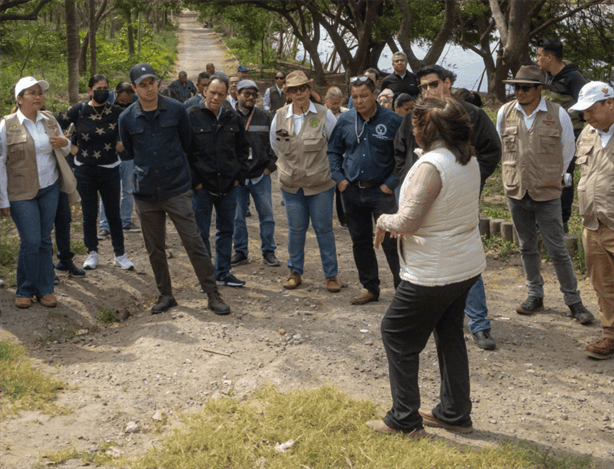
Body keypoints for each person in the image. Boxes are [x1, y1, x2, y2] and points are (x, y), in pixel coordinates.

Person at [366, 98, 485, 437]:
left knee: (396, 332)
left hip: (436, 270)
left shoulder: (432, 166)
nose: (411, 129)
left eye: (415, 124)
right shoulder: (467, 159)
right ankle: (454, 412)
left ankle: (404, 419)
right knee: (449, 333)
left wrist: (382, 220)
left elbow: (409, 221)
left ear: (427, 129)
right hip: (464, 265)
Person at [395, 64, 502, 350]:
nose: (428, 91)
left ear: (448, 83)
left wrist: (469, 179)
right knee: (422, 253)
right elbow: (401, 149)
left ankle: (479, 323)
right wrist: (407, 178)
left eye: (433, 84)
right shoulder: (416, 114)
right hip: (418, 194)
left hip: (456, 200)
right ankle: (428, 315)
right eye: (423, 86)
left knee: (461, 256)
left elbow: (491, 150)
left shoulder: (471, 114)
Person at [119, 63, 230, 315]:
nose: (149, 89)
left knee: (194, 242)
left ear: (157, 83)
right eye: (143, 85)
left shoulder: (177, 110)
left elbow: (187, 142)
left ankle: (212, 294)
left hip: (176, 188)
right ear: (134, 88)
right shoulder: (126, 118)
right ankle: (165, 294)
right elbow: (128, 150)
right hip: (145, 192)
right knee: (155, 247)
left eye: (152, 83)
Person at [497, 65, 593, 323]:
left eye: (525, 87)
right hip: (516, 191)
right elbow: (501, 147)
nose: (519, 91)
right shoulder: (505, 112)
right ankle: (534, 295)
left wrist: (555, 177)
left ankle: (574, 301)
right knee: (526, 246)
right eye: (516, 87)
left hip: (548, 193)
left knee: (558, 249)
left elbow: (568, 150)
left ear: (539, 89)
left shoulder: (557, 113)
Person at [327, 75, 403, 305]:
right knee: (360, 241)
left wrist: (390, 184)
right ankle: (370, 287)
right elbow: (333, 151)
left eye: (364, 96)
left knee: (391, 241)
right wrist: (339, 179)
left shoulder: (392, 120)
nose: (359, 101)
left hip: (381, 193)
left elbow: (402, 156)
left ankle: (403, 290)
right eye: (355, 97)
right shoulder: (346, 120)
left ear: (374, 94)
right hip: (352, 191)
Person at [0, 76, 74, 308]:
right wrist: (3, 199)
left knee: (44, 239)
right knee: (30, 240)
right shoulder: (7, 125)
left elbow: (66, 148)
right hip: (20, 192)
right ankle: (25, 288)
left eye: (40, 92)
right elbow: (1, 164)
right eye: (32, 92)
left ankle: (45, 289)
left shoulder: (49, 119)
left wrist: (66, 144)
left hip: (49, 188)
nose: (38, 96)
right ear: (19, 98)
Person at [269, 70, 340, 293]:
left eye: (303, 88)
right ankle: (295, 272)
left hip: (320, 186)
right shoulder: (280, 116)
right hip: (291, 186)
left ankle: (331, 276)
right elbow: (275, 146)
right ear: (287, 93)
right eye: (293, 89)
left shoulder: (324, 114)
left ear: (309, 90)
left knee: (324, 229)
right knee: (296, 230)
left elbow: (336, 145)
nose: (299, 93)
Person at [57, 74, 134, 272]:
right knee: (89, 214)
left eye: (105, 88)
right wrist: (69, 147)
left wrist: (122, 145)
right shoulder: (78, 110)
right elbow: (55, 124)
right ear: (90, 90)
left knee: (113, 214)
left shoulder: (116, 111)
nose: (102, 91)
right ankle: (92, 252)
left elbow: (132, 130)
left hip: (110, 170)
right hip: (84, 171)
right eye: (98, 88)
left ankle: (120, 254)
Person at [187, 75, 250, 287]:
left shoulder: (233, 117)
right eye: (212, 92)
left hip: (228, 187)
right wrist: (195, 182)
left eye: (220, 94)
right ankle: (207, 277)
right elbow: (183, 153)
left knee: (226, 231)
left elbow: (242, 150)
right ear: (205, 91)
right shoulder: (191, 116)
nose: (215, 97)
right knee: (201, 233)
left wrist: (238, 178)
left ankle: (223, 272)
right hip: (202, 188)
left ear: (226, 96)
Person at [569, 82, 614, 359]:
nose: (586, 116)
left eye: (590, 109)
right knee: (603, 285)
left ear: (610, 103)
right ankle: (610, 335)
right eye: (583, 111)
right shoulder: (588, 133)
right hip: (593, 225)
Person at [537, 38, 588, 232]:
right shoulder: (545, 76)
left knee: (564, 176)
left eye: (539, 55)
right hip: (548, 135)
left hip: (570, 134)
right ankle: (545, 218)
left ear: (549, 57)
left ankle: (561, 221)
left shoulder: (574, 77)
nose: (537, 60)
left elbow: (585, 107)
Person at [231, 80, 280, 268]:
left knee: (266, 215)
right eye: (246, 93)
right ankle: (240, 252)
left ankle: (269, 251)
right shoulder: (228, 115)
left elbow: (276, 143)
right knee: (237, 217)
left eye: (254, 94)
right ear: (237, 94)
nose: (251, 97)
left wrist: (269, 167)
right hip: (237, 178)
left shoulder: (265, 116)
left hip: (261, 175)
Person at [98, 81, 140, 240]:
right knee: (107, 191)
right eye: (123, 100)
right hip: (108, 155)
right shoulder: (103, 101)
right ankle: (105, 226)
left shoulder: (136, 101)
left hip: (128, 154)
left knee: (128, 189)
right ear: (116, 93)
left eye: (128, 100)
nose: (125, 103)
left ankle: (125, 221)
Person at [324, 86, 349, 229]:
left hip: (342, 157)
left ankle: (344, 219)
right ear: (326, 100)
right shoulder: (319, 114)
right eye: (333, 103)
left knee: (342, 187)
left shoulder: (347, 114)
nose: (335, 106)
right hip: (324, 158)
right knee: (326, 191)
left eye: (338, 103)